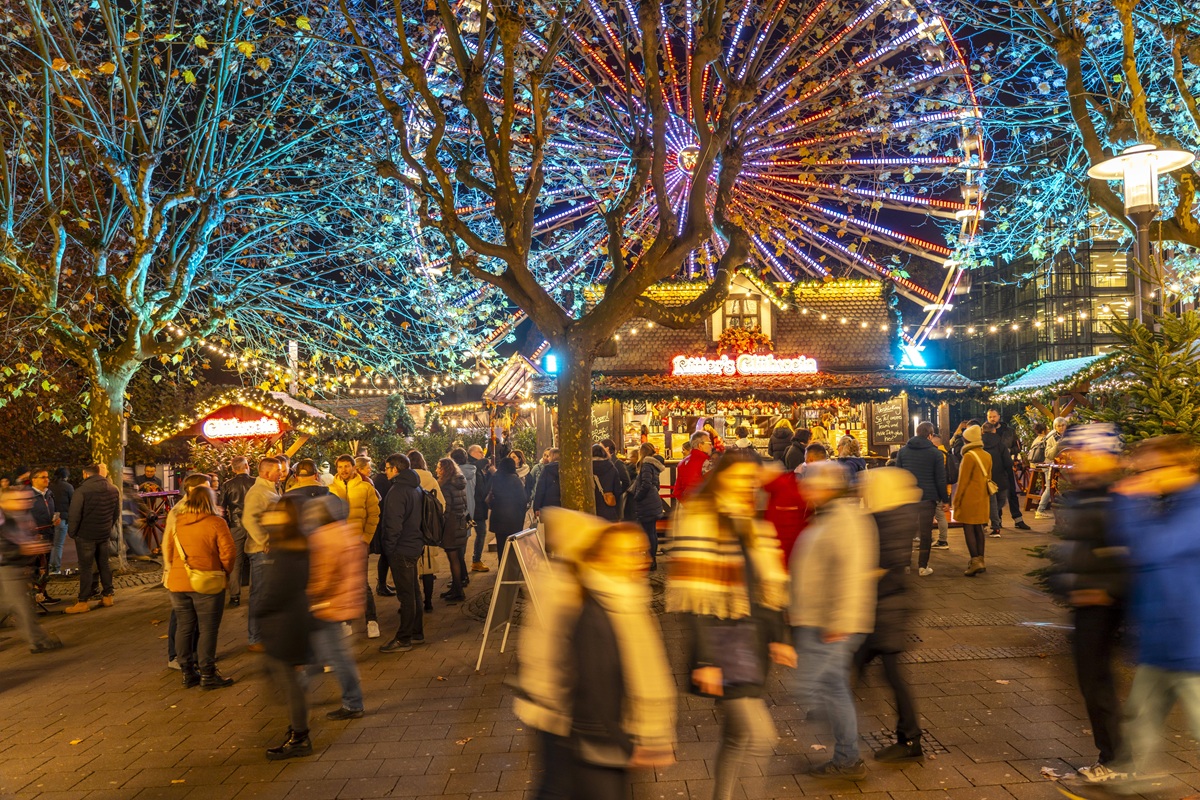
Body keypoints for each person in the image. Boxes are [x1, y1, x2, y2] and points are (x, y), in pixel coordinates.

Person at [515, 508, 676, 799]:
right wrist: (628, 742)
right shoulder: (592, 603)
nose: (642, 560)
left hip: (574, 724)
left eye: (641, 552)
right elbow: (594, 681)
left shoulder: (620, 595)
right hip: (581, 729)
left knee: (555, 788)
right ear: (599, 555)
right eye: (628, 553)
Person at [667, 450, 795, 800]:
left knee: (737, 737)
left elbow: (765, 585)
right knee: (760, 736)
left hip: (752, 641)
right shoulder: (699, 517)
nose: (746, 486)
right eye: (738, 478)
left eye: (750, 480)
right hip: (723, 645)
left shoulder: (752, 522)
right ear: (720, 477)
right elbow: (695, 600)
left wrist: (779, 637)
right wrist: (705, 660)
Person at [1098, 435, 1200, 788]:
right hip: (1165, 636)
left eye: (1153, 468)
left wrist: (1130, 503)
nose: (1146, 476)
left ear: (1182, 467)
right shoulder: (1172, 504)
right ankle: (1133, 777)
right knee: (1142, 713)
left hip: (1190, 641)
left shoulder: (1196, 508)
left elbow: (1152, 550)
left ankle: (1133, 776)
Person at [1046, 424, 1127, 782]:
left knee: (1098, 683)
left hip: (1100, 604)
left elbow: (1123, 552)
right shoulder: (1089, 493)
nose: (1074, 463)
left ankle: (1117, 762)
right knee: (1094, 683)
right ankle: (1114, 757)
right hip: (1087, 600)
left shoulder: (1111, 497)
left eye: (1081, 455)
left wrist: (1100, 588)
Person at [792, 461, 878, 781]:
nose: (805, 489)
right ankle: (847, 755)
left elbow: (850, 574)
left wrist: (839, 621)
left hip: (832, 623)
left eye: (811, 483)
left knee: (819, 686)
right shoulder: (828, 515)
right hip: (818, 617)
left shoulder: (844, 519)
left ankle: (848, 757)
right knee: (829, 687)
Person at [858, 468, 923, 762]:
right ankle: (832, 704)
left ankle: (910, 739)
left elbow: (885, 563)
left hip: (888, 606)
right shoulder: (894, 514)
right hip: (886, 603)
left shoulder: (888, 519)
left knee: (890, 672)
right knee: (860, 662)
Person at [162, 474, 236, 689]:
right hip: (206, 581)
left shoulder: (177, 521)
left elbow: (168, 549)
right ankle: (208, 674)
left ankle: (187, 671)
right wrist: (224, 571)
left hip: (178, 582)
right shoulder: (216, 522)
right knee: (208, 629)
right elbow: (229, 553)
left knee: (185, 626)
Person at [256, 498, 316, 760]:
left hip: (286, 622)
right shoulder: (291, 541)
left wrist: (260, 609)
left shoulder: (290, 547)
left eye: (278, 512)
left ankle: (299, 737)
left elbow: (278, 589)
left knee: (290, 682)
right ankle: (297, 730)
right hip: (289, 619)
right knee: (291, 680)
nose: (271, 516)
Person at [304, 494, 367, 722]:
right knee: (326, 653)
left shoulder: (324, 537)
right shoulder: (348, 532)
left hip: (327, 604)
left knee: (333, 655)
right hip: (344, 602)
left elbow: (323, 576)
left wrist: (309, 593)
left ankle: (352, 703)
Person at [0, 487, 63, 653]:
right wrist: (23, 550)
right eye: (18, 500)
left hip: (16, 567)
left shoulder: (21, 516)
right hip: (7, 568)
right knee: (21, 606)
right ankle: (39, 641)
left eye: (25, 499)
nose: (25, 502)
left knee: (14, 605)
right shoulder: (4, 521)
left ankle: (37, 641)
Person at [329, 454, 382, 639]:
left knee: (362, 583)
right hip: (338, 545)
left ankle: (371, 620)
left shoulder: (366, 487)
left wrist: (366, 538)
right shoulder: (329, 490)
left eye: (347, 466)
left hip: (358, 542)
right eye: (340, 466)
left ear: (353, 467)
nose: (344, 470)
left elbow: (374, 515)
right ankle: (346, 621)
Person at [378, 453, 426, 654]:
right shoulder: (415, 487)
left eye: (387, 468)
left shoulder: (397, 491)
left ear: (395, 469)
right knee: (414, 591)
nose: (385, 472)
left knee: (406, 595)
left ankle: (404, 638)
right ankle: (416, 632)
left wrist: (388, 550)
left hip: (402, 548)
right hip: (414, 544)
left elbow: (393, 525)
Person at [64, 463, 121, 614]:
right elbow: (116, 513)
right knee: (104, 564)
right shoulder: (113, 489)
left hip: (86, 535)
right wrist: (107, 526)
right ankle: (108, 595)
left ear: (85, 474)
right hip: (103, 533)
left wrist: (73, 532)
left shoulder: (82, 491)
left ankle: (83, 601)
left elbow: (74, 515)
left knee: (86, 568)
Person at [895, 422, 949, 577]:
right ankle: (922, 567)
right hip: (928, 498)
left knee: (907, 531)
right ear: (930, 435)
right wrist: (944, 500)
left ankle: (905, 564)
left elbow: (898, 475)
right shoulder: (936, 453)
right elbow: (940, 479)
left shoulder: (903, 451)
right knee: (926, 533)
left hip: (907, 497)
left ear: (917, 433)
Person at [243, 457, 282, 650]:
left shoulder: (270, 489)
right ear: (266, 473)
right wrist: (264, 540)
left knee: (268, 593)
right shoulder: (257, 492)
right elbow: (249, 519)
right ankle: (255, 638)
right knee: (259, 594)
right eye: (278, 470)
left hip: (271, 550)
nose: (281, 473)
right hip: (261, 552)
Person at [409, 451, 446, 612]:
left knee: (411, 568)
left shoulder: (405, 480)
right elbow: (441, 504)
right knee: (428, 567)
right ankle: (428, 601)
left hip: (410, 530)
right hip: (428, 530)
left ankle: (410, 602)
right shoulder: (430, 480)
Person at [953, 425, 992, 576]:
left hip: (969, 498)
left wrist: (956, 500)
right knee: (979, 529)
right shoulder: (987, 455)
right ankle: (981, 560)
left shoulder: (969, 456)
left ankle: (974, 562)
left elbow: (963, 482)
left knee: (968, 528)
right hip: (983, 497)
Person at [985, 409, 1032, 531]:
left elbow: (1018, 447)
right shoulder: (984, 432)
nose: (992, 419)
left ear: (999, 417)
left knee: (1012, 493)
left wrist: (1008, 451)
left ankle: (1018, 519)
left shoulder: (1009, 431)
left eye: (994, 416)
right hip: (993, 468)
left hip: (1007, 465)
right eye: (990, 417)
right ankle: (997, 520)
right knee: (995, 494)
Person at [218, 457, 256, 608]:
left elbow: (221, 508)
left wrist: (227, 522)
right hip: (253, 524)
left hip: (236, 524)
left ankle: (235, 596)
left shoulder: (227, 485)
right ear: (247, 466)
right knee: (255, 559)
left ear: (233, 469)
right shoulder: (255, 482)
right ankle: (254, 594)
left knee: (236, 562)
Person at [437, 458, 470, 603]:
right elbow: (464, 503)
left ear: (445, 469)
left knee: (453, 558)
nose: (437, 470)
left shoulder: (446, 486)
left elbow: (446, 508)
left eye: (439, 467)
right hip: (461, 521)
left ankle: (458, 591)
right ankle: (456, 588)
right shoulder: (459, 483)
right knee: (457, 556)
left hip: (451, 524)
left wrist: (440, 523)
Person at [631, 443, 667, 570]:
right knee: (651, 532)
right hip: (652, 502)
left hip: (647, 503)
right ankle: (652, 560)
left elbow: (646, 484)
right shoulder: (654, 465)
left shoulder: (646, 464)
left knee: (648, 532)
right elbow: (656, 485)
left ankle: (650, 561)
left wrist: (637, 496)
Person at [28, 468, 60, 603]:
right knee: (34, 568)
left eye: (47, 477)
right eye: (43, 477)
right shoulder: (28, 496)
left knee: (44, 567)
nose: (47, 479)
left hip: (48, 534)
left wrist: (55, 520)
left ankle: (42, 593)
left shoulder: (49, 494)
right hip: (34, 537)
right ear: (33, 479)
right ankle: (33, 595)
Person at [488, 456, 529, 557]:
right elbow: (523, 499)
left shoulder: (495, 479)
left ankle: (501, 567)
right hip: (513, 519)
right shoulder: (515, 480)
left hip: (498, 518)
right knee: (513, 545)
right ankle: (512, 568)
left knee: (501, 545)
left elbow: (489, 497)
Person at [1035, 417, 1070, 518]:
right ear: (1055, 427)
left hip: (1066, 469)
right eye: (1058, 426)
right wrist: (1057, 446)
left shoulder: (1069, 437)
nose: (1061, 427)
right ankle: (1040, 510)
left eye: (1063, 425)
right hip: (1053, 467)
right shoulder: (1051, 438)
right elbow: (1048, 455)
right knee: (1050, 487)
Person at [468, 445, 493, 573]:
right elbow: (479, 489)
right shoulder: (471, 468)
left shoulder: (478, 468)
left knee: (481, 533)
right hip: (476, 507)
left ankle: (476, 560)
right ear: (472, 453)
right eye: (479, 452)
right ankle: (475, 560)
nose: (482, 455)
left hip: (478, 507)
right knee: (480, 533)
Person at [672, 432, 713, 502]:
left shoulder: (682, 463)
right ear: (700, 446)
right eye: (709, 443)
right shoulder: (706, 463)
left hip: (683, 504)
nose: (712, 446)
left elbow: (677, 489)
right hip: (700, 504)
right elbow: (714, 485)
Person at [47, 467, 73, 575]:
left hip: (50, 518)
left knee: (52, 544)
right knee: (58, 545)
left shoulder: (50, 487)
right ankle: (54, 569)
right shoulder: (68, 487)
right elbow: (73, 502)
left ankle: (49, 567)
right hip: (62, 518)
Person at [930, 433, 951, 550]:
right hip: (944, 488)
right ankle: (942, 540)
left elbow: (939, 476)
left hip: (938, 489)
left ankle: (942, 540)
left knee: (938, 515)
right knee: (940, 516)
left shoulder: (938, 455)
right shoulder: (945, 453)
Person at [590, 444, 622, 523]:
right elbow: (618, 490)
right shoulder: (612, 468)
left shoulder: (587, 468)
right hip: (608, 509)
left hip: (591, 511)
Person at [532, 449, 562, 514]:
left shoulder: (547, 469)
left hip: (548, 506)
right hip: (562, 506)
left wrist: (536, 507)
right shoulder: (565, 469)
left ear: (552, 456)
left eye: (549, 456)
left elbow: (540, 489)